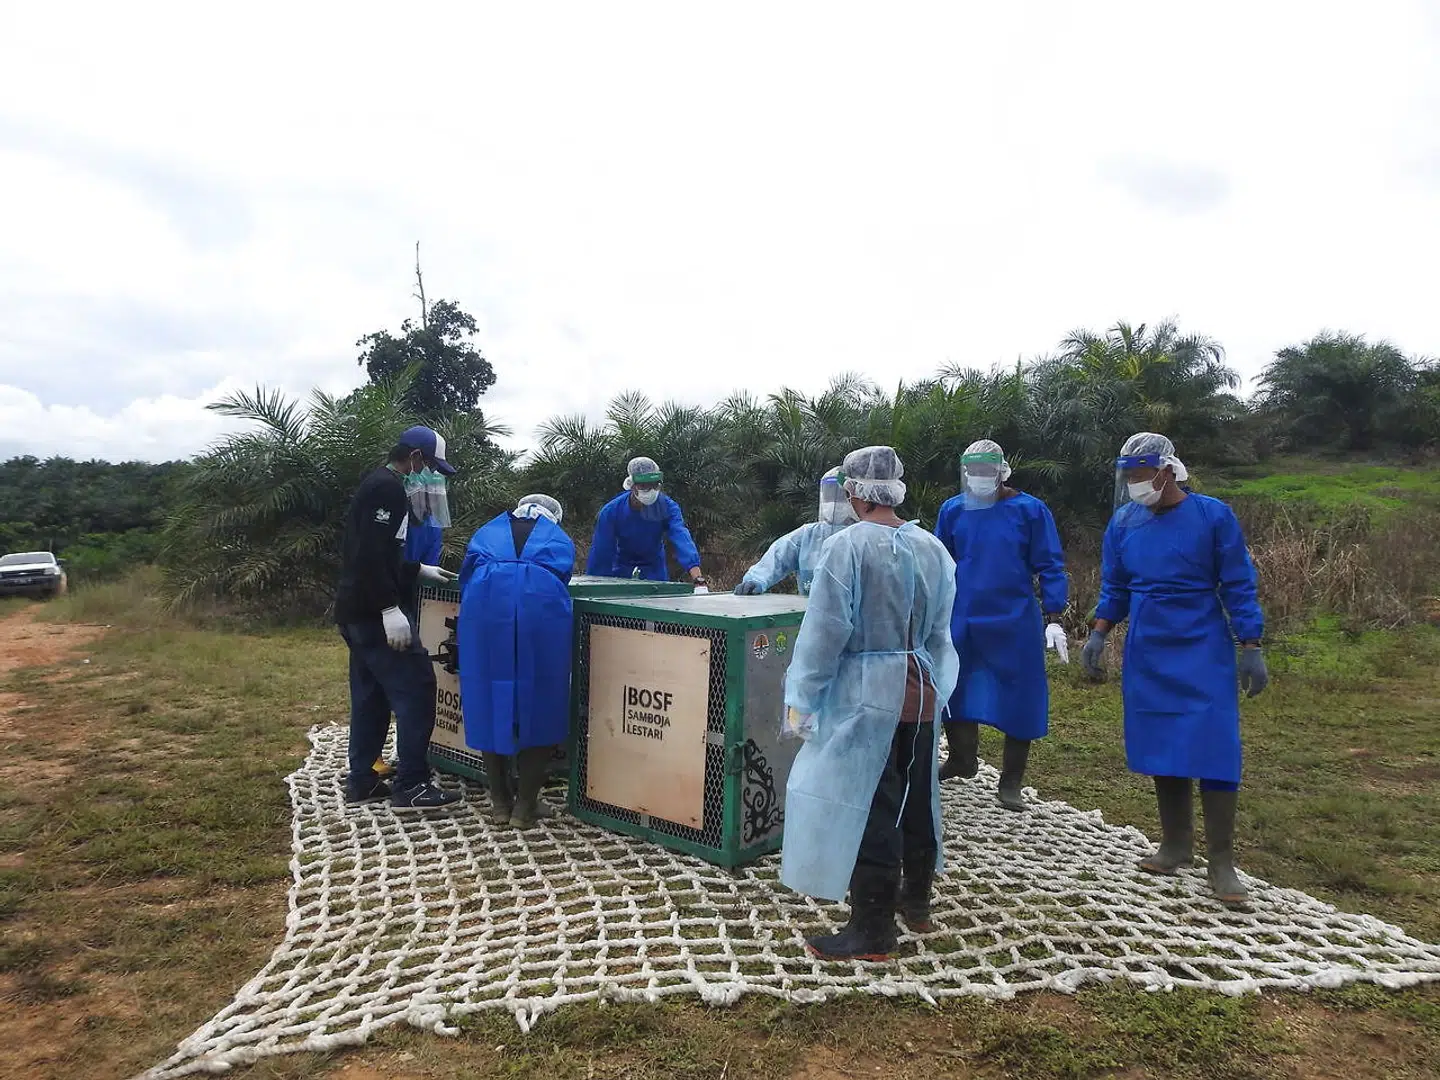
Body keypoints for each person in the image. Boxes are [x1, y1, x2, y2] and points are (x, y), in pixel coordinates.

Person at [780, 446, 959, 961]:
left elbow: (825, 633)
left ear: (853, 491)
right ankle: (917, 903)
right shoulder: (931, 547)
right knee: (918, 797)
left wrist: (802, 699)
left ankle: (873, 930)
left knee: (870, 808)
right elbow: (942, 631)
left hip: (866, 696)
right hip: (922, 690)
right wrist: (938, 684)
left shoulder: (846, 548)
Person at [1080, 432, 1268, 905]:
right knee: (1163, 741)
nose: (1136, 485)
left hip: (1201, 639)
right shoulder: (1124, 522)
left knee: (1213, 743)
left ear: (1167, 471)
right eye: (1129, 477)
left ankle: (1222, 861)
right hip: (1149, 641)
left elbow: (1238, 582)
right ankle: (1175, 844)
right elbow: (1116, 585)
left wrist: (1250, 642)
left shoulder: (1211, 516)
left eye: (1143, 476)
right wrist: (1099, 634)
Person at [933, 440, 1069, 810]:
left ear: (1002, 471)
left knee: (1019, 695)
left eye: (985, 472)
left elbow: (1050, 565)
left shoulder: (1029, 511)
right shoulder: (953, 510)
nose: (978, 479)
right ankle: (963, 758)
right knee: (953, 686)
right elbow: (939, 563)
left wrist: (1054, 617)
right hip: (961, 615)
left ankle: (1011, 781)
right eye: (972, 473)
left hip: (1013, 618)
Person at [334, 425, 464, 812]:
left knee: (371, 694)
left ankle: (362, 780)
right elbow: (369, 555)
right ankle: (412, 785)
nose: (433, 476)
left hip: (357, 608)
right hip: (374, 611)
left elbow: (379, 553)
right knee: (418, 687)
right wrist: (389, 607)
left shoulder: (379, 483)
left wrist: (415, 570)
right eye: (432, 467)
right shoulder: (389, 489)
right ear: (416, 458)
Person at [457, 494, 575, 829]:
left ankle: (499, 803)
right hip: (540, 608)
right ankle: (525, 807)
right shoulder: (557, 537)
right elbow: (564, 574)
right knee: (543, 697)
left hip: (485, 607)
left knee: (487, 697)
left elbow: (466, 573)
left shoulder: (488, 530)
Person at [586, 457, 708, 588]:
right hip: (622, 571)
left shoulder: (667, 507)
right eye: (644, 486)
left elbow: (681, 537)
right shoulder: (611, 511)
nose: (650, 490)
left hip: (655, 572)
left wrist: (697, 578)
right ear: (632, 486)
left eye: (654, 485)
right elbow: (601, 552)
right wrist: (596, 588)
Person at [734, 466, 855, 596]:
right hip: (808, 613)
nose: (834, 502)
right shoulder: (807, 536)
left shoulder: (866, 537)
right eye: (829, 495)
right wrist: (756, 580)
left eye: (843, 495)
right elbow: (777, 556)